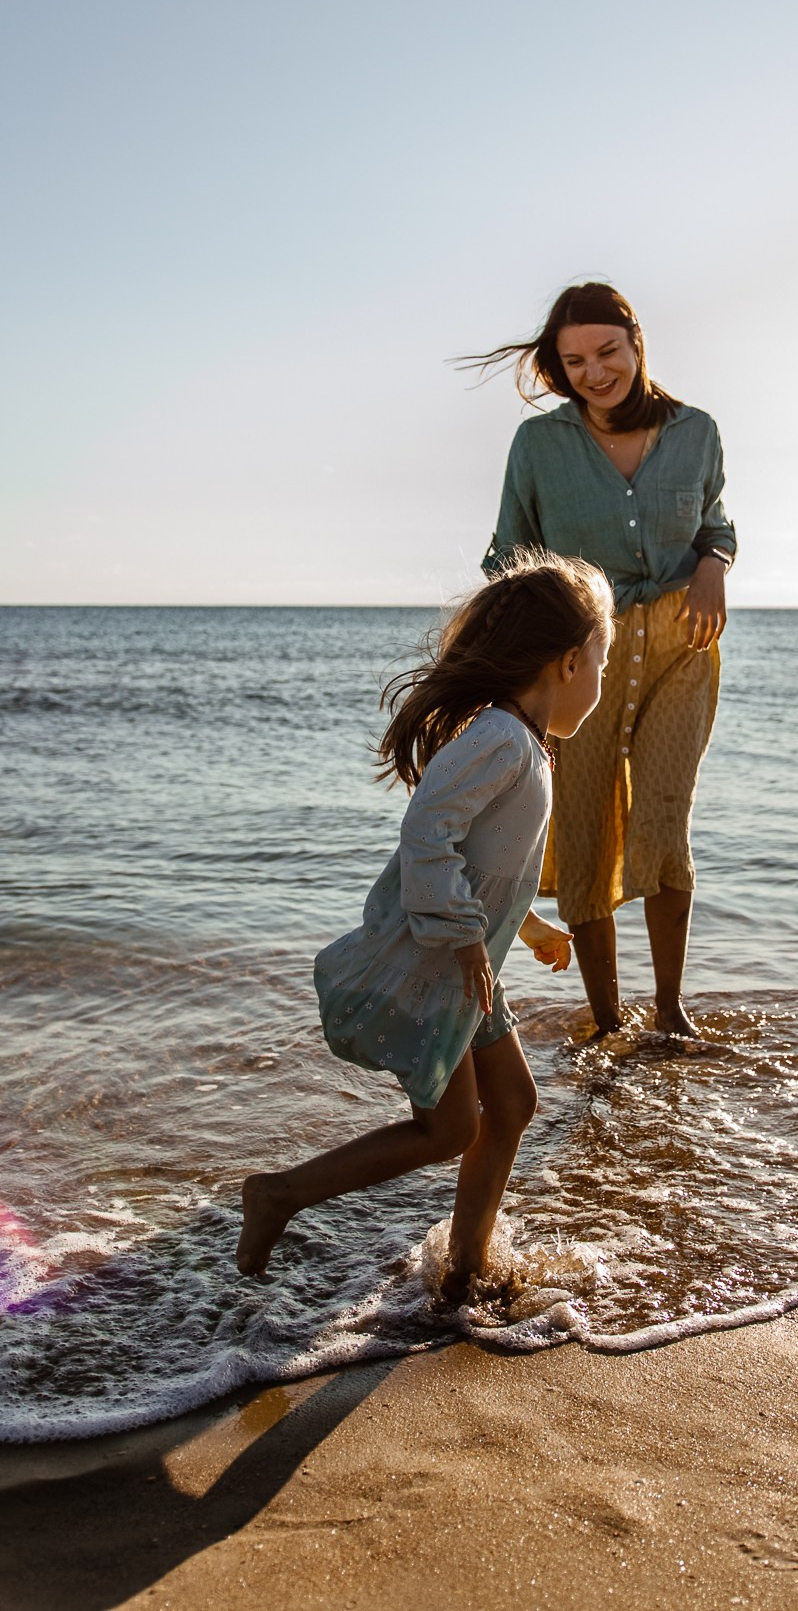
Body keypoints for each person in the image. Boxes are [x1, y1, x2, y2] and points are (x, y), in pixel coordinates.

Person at [236, 551, 615, 1298]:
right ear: (569, 663)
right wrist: (470, 936)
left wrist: (527, 926)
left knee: (511, 1104)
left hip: (469, 966)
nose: (605, 680)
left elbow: (483, 863)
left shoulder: (524, 746)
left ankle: (468, 1264)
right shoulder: (502, 740)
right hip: (440, 963)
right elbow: (426, 832)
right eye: (604, 662)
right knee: (449, 1131)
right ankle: (278, 1194)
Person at [472, 282, 736, 1039]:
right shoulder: (540, 446)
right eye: (576, 360)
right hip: (578, 654)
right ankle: (606, 1016)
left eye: (608, 352)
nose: (595, 372)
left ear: (636, 342)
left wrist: (715, 561)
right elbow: (507, 554)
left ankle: (672, 1011)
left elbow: (715, 518)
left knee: (663, 820)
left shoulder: (698, 431)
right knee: (583, 830)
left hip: (684, 642)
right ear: (560, 367)